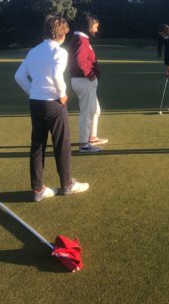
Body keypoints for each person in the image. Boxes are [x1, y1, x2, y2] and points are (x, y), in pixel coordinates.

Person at [14, 15, 89, 201]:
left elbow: (19, 76)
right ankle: (67, 184)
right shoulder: (60, 52)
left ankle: (38, 189)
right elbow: (56, 75)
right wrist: (62, 94)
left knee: (37, 145)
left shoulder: (33, 51)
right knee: (61, 144)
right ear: (62, 34)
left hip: (35, 102)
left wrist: (33, 91)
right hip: (53, 102)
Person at [68, 13, 107, 153]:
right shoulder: (81, 40)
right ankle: (84, 144)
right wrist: (91, 75)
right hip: (84, 80)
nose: (96, 30)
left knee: (95, 110)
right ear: (89, 26)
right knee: (87, 113)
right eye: (95, 26)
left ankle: (92, 137)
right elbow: (80, 61)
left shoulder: (81, 39)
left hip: (83, 80)